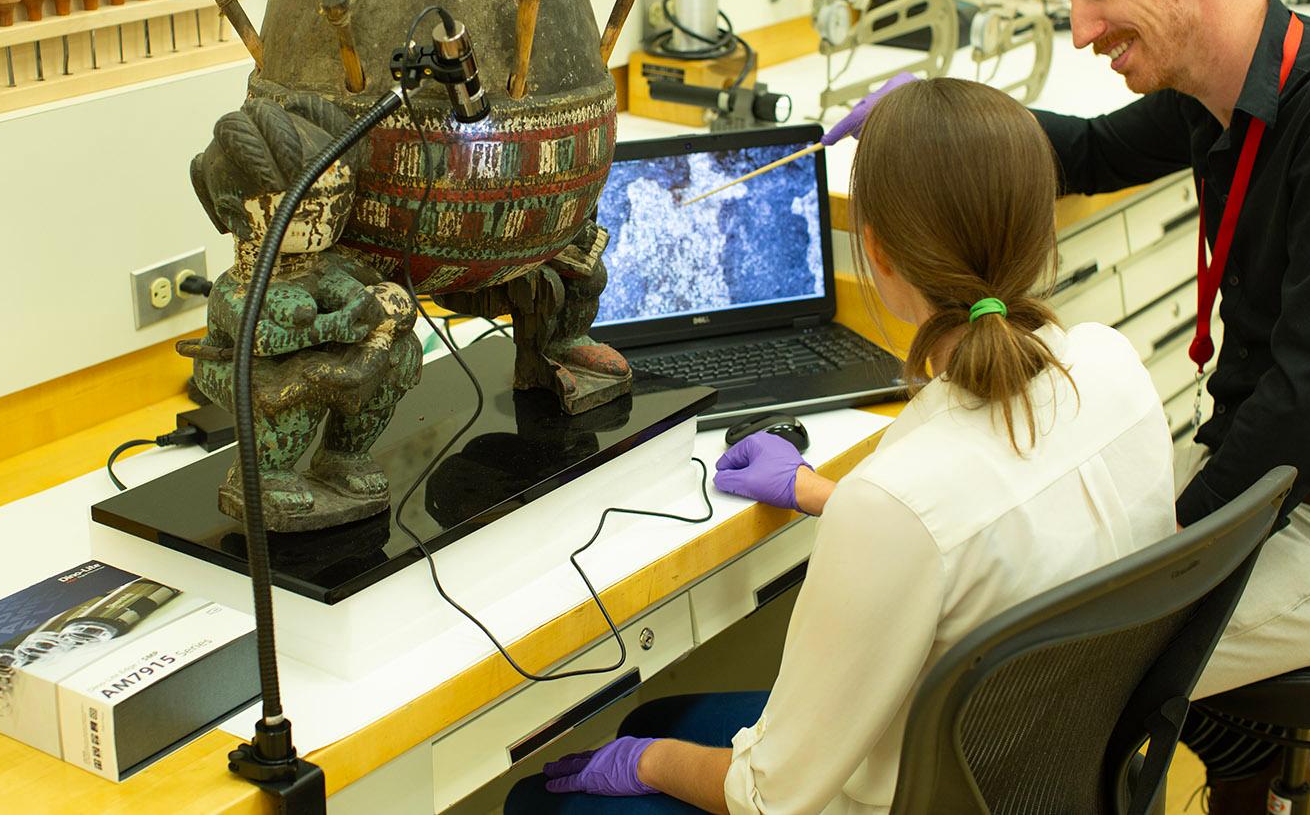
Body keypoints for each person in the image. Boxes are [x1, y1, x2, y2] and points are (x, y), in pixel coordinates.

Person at [504, 77, 1177, 813]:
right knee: (651, 719)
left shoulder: (897, 502)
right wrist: (822, 492)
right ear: (1039, 226)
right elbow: (988, 514)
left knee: (555, 790)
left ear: (878, 255)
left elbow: (765, 799)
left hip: (898, 797)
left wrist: (650, 761)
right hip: (1053, 775)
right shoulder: (1111, 367)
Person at [1041, 0, 1310, 809]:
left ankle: (1260, 774)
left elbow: (1306, 402)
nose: (1082, 30)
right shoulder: (1218, 90)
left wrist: (1168, 562)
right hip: (1289, 486)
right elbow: (1090, 151)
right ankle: (1280, 770)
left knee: (1064, 670)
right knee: (1069, 597)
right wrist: (935, 116)